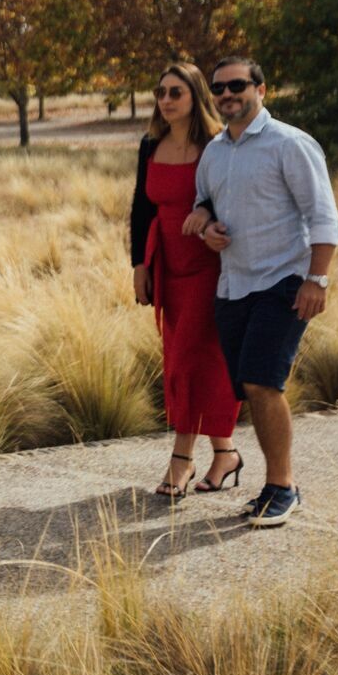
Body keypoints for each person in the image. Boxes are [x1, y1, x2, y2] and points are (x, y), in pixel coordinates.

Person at [182, 58, 338, 529]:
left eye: (237, 85)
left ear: (261, 89)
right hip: (233, 286)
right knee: (250, 387)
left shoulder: (289, 144)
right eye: (219, 88)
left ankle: (283, 486)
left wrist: (317, 279)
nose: (227, 94)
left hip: (285, 282)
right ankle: (276, 485)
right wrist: (206, 225)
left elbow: (324, 216)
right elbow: (203, 202)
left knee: (262, 382)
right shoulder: (214, 152)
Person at [130, 62, 242, 499]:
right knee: (192, 358)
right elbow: (141, 208)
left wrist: (208, 215)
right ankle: (226, 452)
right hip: (165, 263)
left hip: (208, 265)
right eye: (160, 92)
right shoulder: (149, 144)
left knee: (187, 360)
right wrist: (139, 264)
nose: (166, 100)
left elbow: (234, 200)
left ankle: (182, 458)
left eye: (176, 92)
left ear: (196, 95)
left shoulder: (216, 145)